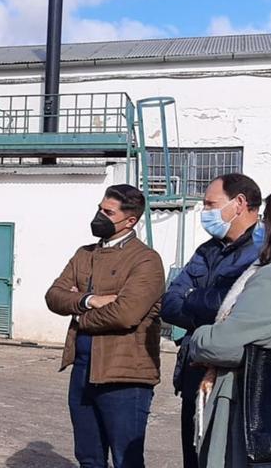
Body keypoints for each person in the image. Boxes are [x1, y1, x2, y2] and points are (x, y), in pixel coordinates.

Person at [189, 186, 271, 467]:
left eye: (267, 219)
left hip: (269, 422)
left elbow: (224, 345)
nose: (262, 226)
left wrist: (198, 338)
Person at [46, 184, 165, 468]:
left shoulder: (146, 260)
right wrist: (89, 299)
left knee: (127, 458)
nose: (99, 215)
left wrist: (78, 315)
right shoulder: (84, 254)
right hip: (83, 368)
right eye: (99, 208)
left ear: (130, 220)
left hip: (124, 374)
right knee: (88, 457)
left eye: (108, 212)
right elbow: (54, 296)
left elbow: (126, 314)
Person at [159, 173, 262, 468]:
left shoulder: (264, 249)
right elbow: (169, 303)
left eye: (210, 204)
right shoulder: (208, 250)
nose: (205, 212)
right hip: (195, 369)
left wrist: (195, 297)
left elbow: (239, 307)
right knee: (194, 456)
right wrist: (208, 302)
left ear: (239, 203)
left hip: (236, 375)